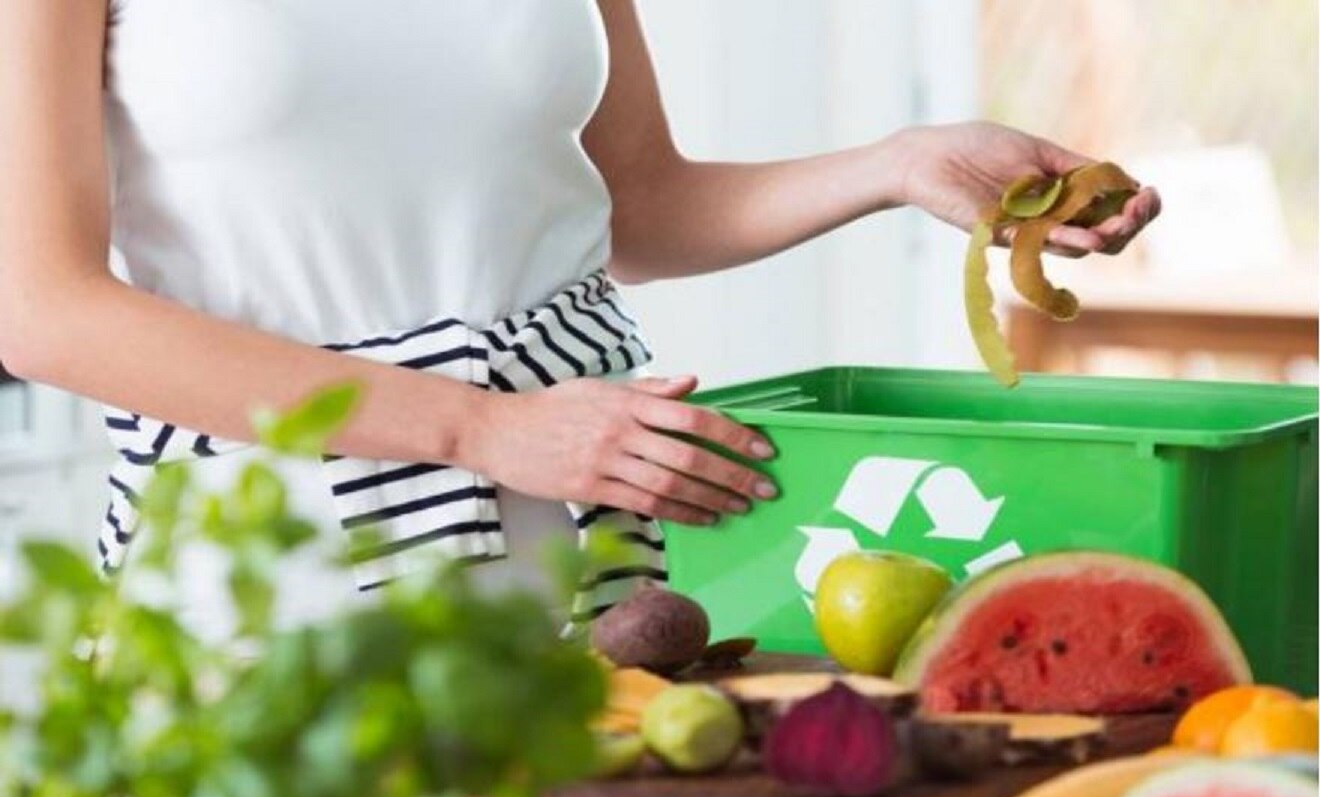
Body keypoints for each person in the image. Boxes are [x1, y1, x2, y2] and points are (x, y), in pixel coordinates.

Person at [0, 1, 1158, 635]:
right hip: (275, 566)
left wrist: (899, 164)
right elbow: (45, 307)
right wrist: (479, 427)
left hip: (581, 551)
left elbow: (639, 206)